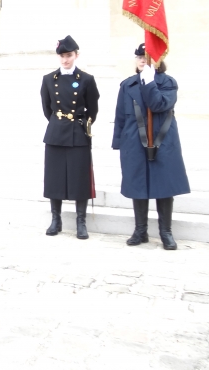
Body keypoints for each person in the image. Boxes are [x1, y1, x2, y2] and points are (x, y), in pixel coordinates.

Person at [112, 44, 190, 250]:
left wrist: (149, 81)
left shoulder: (168, 83)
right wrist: (119, 143)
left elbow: (158, 105)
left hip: (162, 140)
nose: (142, 60)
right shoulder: (127, 85)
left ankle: (165, 231)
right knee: (138, 184)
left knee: (164, 185)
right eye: (139, 56)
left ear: (158, 59)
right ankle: (140, 230)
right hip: (134, 141)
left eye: (147, 57)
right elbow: (120, 116)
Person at [41, 36, 99, 240]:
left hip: (78, 133)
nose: (65, 60)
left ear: (76, 55)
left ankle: (81, 221)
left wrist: (80, 124)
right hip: (56, 132)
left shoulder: (86, 79)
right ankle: (56, 220)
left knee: (79, 178)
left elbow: (93, 109)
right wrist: (59, 122)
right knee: (54, 178)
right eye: (62, 56)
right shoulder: (49, 79)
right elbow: (47, 108)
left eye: (69, 55)